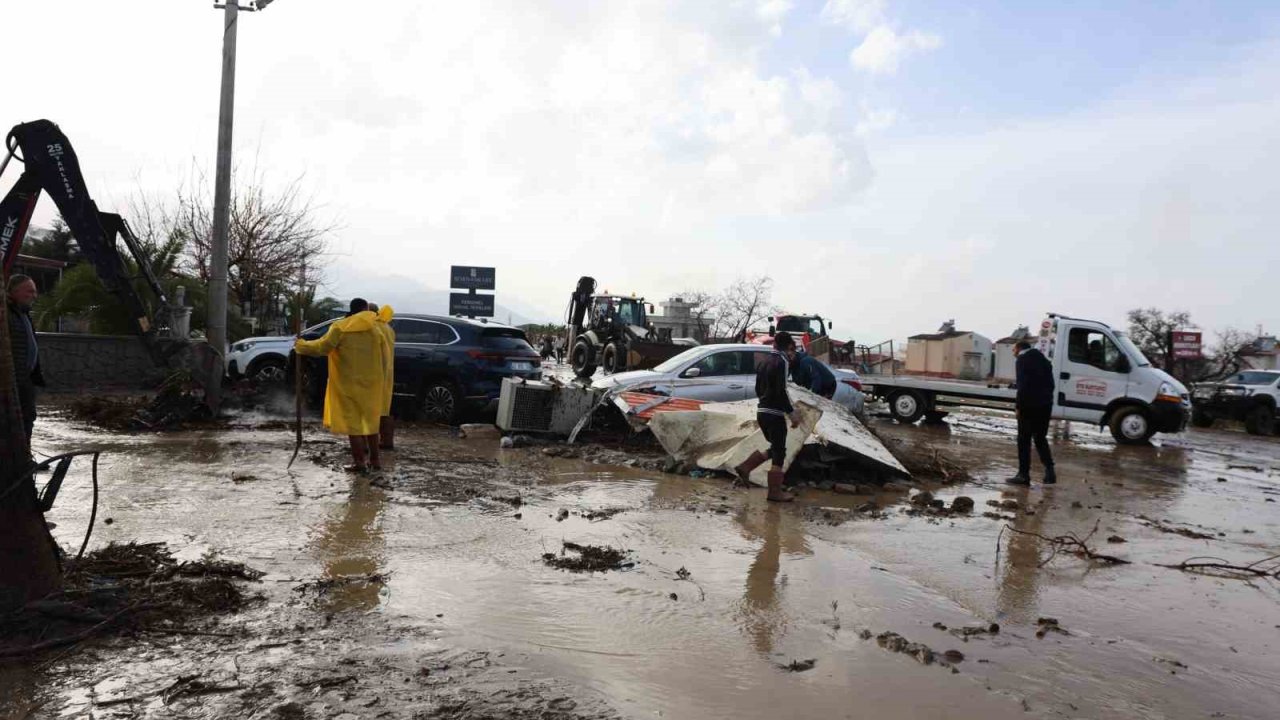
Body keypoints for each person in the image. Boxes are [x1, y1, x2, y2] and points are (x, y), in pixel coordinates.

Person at [295, 298, 389, 473]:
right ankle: (375, 461)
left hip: (348, 383)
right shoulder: (377, 329)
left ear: (351, 310)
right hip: (372, 383)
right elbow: (385, 357)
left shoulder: (341, 327)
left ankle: (359, 463)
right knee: (370, 423)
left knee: (354, 424)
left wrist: (302, 346)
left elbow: (322, 347)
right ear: (366, 310)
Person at [733, 331, 801, 502]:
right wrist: (791, 413)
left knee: (777, 448)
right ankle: (774, 493)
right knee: (779, 452)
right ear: (788, 346)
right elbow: (781, 390)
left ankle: (746, 466)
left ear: (774, 344)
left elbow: (758, 388)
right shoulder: (782, 361)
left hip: (762, 412)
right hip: (774, 413)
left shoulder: (763, 362)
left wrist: (765, 402)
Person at [1008, 340, 1056, 485]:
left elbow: (1023, 386)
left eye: (1013, 349)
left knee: (1023, 440)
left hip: (1028, 406)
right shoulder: (1044, 360)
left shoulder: (1022, 360)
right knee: (1040, 438)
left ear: (1019, 348)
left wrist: (1018, 407)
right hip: (1045, 405)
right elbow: (1051, 385)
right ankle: (1050, 472)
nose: (1013, 353)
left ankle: (1023, 475)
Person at [6, 274, 44, 443]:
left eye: (34, 292)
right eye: (30, 291)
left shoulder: (23, 314)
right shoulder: (6, 314)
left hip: (25, 378)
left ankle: (24, 456)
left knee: (28, 417)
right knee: (13, 419)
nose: (34, 295)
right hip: (11, 379)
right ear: (14, 291)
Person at [369, 303, 396, 451]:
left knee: (370, 408)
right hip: (388, 371)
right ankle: (387, 440)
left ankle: (368, 443)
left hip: (373, 371)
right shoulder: (388, 328)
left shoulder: (372, 327)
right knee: (384, 407)